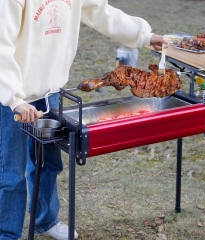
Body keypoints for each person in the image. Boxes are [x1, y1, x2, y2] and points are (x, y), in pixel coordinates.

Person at [0, 0, 170, 239]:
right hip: (12, 97)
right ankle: (7, 234)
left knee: (49, 163)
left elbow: (100, 12)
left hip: (50, 93)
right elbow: (1, 46)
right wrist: (14, 97)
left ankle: (45, 220)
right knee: (11, 173)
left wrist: (144, 36)